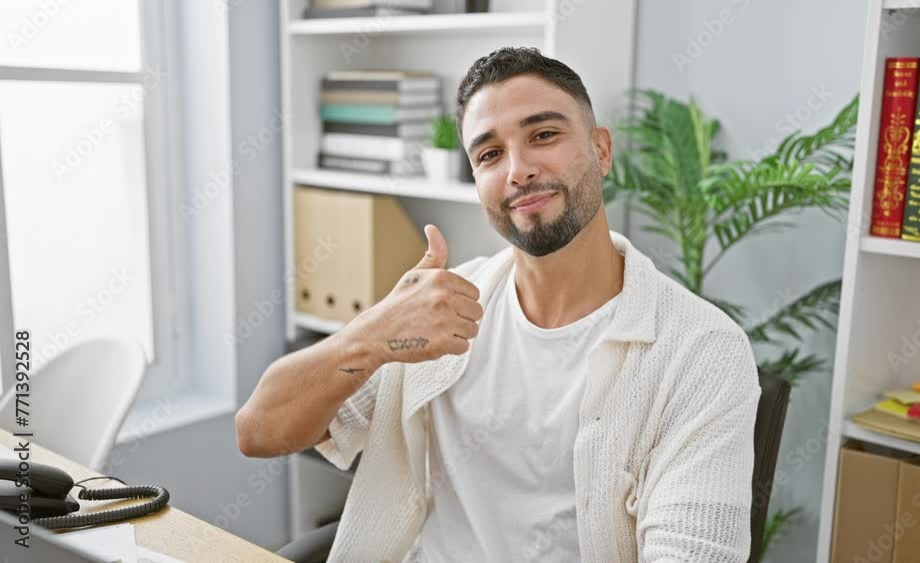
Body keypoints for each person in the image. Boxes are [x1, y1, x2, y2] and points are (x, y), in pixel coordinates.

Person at [236, 46, 761, 563]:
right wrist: (371, 338)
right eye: (489, 154)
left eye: (544, 135)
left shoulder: (700, 351)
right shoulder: (439, 311)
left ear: (601, 150)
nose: (518, 169)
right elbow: (259, 431)